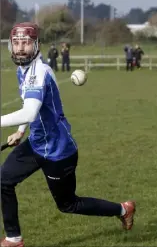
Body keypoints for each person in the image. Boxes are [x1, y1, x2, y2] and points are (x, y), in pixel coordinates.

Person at [0, 22, 136, 247]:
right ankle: (14, 239)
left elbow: (30, 111)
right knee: (4, 180)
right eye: (16, 43)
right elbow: (30, 107)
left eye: (26, 43)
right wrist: (20, 130)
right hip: (37, 143)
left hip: (58, 150)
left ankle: (123, 209)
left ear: (37, 45)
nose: (20, 48)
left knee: (68, 204)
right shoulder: (22, 70)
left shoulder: (39, 71)